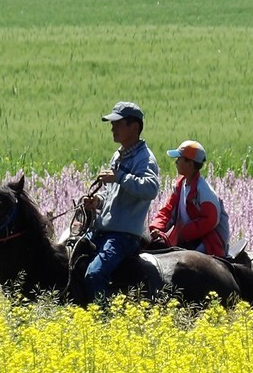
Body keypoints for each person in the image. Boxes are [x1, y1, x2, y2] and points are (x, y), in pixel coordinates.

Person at [80, 101, 161, 304]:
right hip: (104, 231)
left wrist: (120, 177)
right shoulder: (117, 156)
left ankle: (103, 322)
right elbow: (111, 196)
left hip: (123, 236)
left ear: (134, 127)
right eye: (112, 123)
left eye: (118, 123)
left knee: (94, 274)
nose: (112, 128)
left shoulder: (145, 159)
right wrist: (97, 202)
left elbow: (150, 188)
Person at [148, 140, 230, 258]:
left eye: (179, 159)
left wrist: (184, 233)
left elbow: (211, 220)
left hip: (209, 242)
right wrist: (157, 228)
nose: (176, 162)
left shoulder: (204, 191)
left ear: (190, 164)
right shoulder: (179, 185)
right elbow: (167, 210)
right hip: (187, 239)